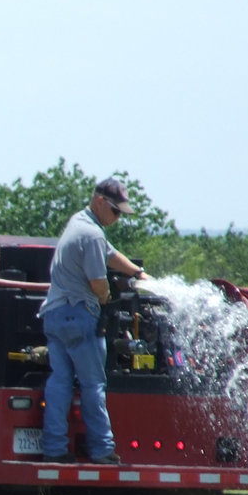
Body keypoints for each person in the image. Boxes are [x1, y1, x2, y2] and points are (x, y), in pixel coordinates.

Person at [38, 177, 152, 465]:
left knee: (60, 381)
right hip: (79, 316)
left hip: (54, 314)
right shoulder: (92, 235)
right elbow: (99, 283)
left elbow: (110, 255)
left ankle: (53, 449)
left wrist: (137, 273)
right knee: (93, 385)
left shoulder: (79, 223)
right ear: (100, 201)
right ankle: (101, 450)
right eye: (115, 212)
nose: (117, 219)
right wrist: (109, 296)